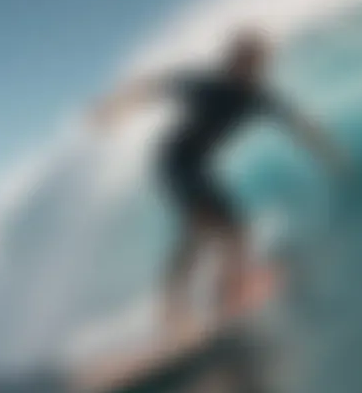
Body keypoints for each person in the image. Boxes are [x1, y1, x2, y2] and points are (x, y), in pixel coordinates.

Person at [91, 29, 347, 329]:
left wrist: (328, 152)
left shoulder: (259, 98)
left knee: (236, 231)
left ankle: (228, 292)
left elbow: (298, 124)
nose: (250, 69)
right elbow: (154, 86)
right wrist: (114, 107)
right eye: (243, 62)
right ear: (232, 62)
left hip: (198, 166)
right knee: (201, 226)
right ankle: (173, 308)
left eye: (256, 63)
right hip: (172, 160)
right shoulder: (209, 85)